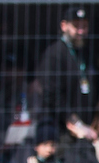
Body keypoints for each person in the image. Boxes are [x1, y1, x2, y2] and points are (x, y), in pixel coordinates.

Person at [32, 9, 92, 142]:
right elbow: (51, 93)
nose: (81, 31)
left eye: (84, 26)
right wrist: (72, 120)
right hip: (60, 128)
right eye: (76, 26)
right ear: (64, 26)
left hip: (84, 126)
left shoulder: (85, 53)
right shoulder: (53, 54)